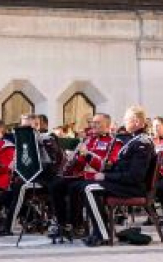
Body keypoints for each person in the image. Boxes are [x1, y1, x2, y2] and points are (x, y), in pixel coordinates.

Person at [81, 106, 154, 247]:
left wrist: (106, 177)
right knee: (87, 185)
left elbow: (135, 176)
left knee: (89, 189)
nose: (124, 122)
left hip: (133, 188)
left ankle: (102, 234)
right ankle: (101, 230)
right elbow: (124, 167)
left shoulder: (141, 143)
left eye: (127, 119)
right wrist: (107, 170)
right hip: (126, 184)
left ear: (137, 122)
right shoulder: (135, 140)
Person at [48, 113, 114, 241]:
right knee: (55, 185)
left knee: (74, 187)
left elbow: (106, 166)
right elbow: (80, 162)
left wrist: (87, 154)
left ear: (107, 126)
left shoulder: (112, 142)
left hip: (97, 177)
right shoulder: (89, 140)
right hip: (81, 175)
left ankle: (77, 225)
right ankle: (62, 224)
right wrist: (71, 158)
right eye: (93, 122)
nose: (93, 125)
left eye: (97, 123)